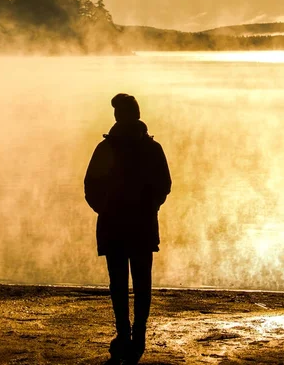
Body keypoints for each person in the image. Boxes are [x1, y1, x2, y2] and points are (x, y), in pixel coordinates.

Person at [84, 93, 171, 364]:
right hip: (142, 226)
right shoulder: (152, 148)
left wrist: (106, 210)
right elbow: (164, 185)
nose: (115, 117)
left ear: (121, 116)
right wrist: (149, 207)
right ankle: (137, 335)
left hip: (114, 225)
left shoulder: (106, 148)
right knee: (141, 282)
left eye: (117, 112)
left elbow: (90, 187)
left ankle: (124, 334)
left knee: (119, 282)